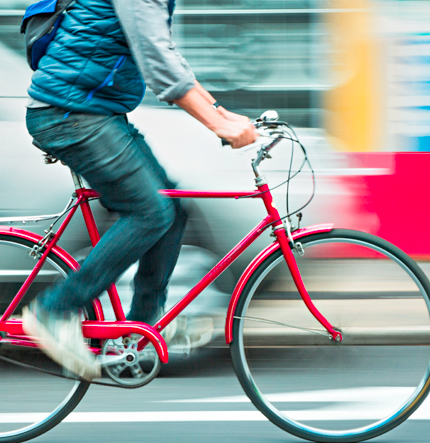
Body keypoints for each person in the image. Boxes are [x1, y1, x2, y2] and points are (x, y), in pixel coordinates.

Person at [23, 0, 258, 380]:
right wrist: (217, 125)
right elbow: (158, 64)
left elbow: (165, 53)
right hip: (69, 114)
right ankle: (55, 311)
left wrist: (221, 111)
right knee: (150, 212)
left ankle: (137, 333)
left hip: (93, 113)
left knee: (172, 208)